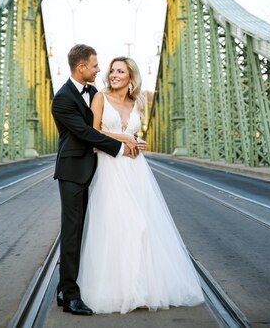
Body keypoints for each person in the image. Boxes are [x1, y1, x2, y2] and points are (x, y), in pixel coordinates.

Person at [77, 56, 205, 314]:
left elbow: (134, 134)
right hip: (112, 167)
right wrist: (125, 138)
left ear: (130, 77)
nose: (113, 74)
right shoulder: (100, 98)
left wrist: (137, 140)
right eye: (112, 70)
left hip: (136, 169)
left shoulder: (137, 103)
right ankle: (116, 291)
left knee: (143, 227)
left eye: (120, 71)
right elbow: (93, 131)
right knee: (122, 226)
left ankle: (140, 288)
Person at [51, 44, 139, 316]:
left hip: (102, 168)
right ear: (81, 68)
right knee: (73, 231)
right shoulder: (62, 99)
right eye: (95, 66)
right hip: (74, 171)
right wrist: (124, 142)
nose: (99, 70)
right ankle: (70, 295)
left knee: (107, 228)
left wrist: (126, 136)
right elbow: (86, 133)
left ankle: (70, 286)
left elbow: (103, 121)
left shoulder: (93, 93)